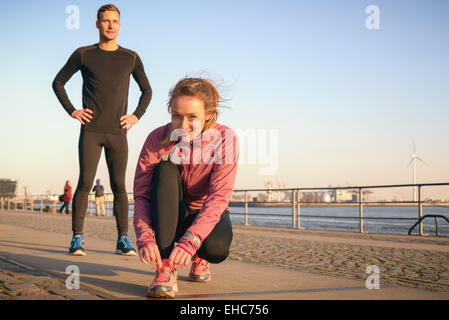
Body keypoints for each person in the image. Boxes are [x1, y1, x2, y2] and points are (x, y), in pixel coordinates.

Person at [52, 4, 152, 256]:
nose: (110, 25)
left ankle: (122, 239)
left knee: (119, 186)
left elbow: (147, 90)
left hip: (118, 133)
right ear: (97, 24)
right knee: (84, 183)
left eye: (114, 21)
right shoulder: (84, 54)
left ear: (120, 25)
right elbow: (58, 82)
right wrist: (73, 111)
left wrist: (136, 116)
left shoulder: (130, 57)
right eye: (105, 21)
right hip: (92, 131)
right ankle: (77, 238)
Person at [133, 78, 239, 298]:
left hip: (206, 212)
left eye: (192, 117)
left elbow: (219, 197)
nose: (182, 126)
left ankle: (200, 257)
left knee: (216, 249)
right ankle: (165, 267)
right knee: (165, 169)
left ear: (209, 113)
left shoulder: (225, 138)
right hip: (171, 210)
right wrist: (144, 237)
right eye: (176, 116)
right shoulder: (157, 138)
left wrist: (192, 241)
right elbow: (142, 194)